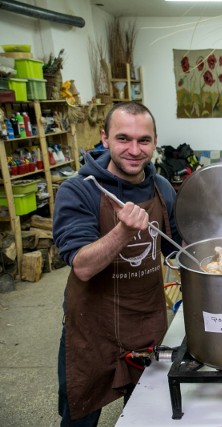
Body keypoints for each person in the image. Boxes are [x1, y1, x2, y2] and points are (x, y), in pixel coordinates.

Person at [53, 102, 182, 426]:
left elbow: (177, 249)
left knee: (147, 413)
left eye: (144, 141)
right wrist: (123, 231)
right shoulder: (78, 190)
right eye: (123, 138)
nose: (135, 150)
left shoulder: (162, 188)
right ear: (105, 138)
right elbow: (82, 265)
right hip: (92, 330)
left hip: (145, 323)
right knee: (80, 414)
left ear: (155, 141)